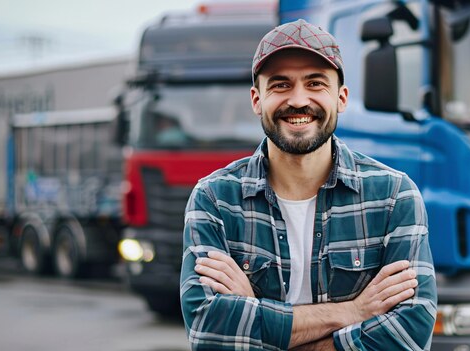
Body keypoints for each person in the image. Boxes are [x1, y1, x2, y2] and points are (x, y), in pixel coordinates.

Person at [180, 19, 437, 350]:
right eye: (280, 85)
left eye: (315, 84)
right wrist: (353, 312)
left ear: (341, 98)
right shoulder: (215, 199)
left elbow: (409, 335)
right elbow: (209, 330)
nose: (298, 100)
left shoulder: (393, 195)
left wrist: (257, 318)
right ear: (257, 100)